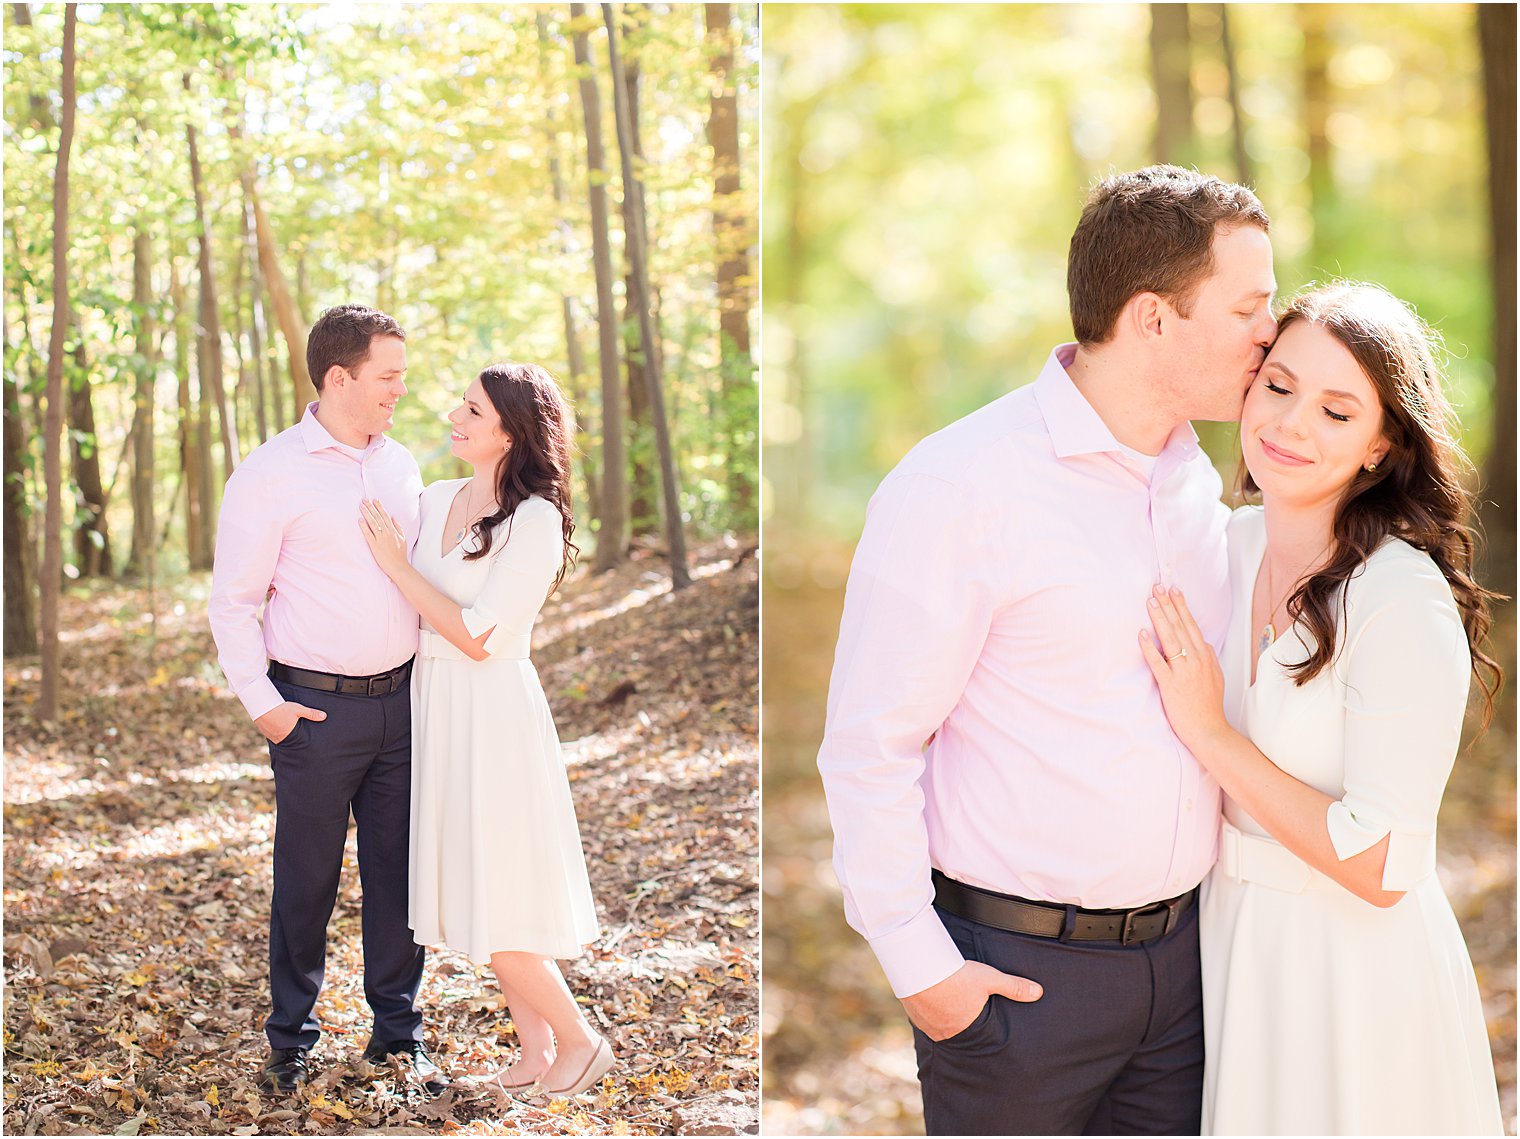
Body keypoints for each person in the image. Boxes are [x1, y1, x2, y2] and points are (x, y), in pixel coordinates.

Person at [816, 164, 1278, 1135]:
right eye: (1247, 307)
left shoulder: (1205, 490)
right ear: (1152, 318)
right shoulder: (958, 485)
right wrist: (921, 966)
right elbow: (871, 741)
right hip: (1016, 985)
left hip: (1187, 973)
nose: (1266, 334)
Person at [1139, 282, 1504, 1135]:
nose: (1291, 424)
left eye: (1337, 412)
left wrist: (1212, 735)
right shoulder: (1225, 545)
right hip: (1233, 952)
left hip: (1357, 982)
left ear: (1383, 444)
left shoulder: (1398, 597)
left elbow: (1381, 864)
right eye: (1279, 385)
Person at [356, 362, 613, 1099]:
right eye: (460, 404)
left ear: (511, 430)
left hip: (492, 711)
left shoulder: (535, 520)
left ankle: (581, 1042)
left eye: (472, 409)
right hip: (434, 705)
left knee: (497, 894)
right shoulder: (436, 497)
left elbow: (479, 635)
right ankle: (535, 1054)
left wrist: (397, 569)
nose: (454, 415)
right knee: (472, 885)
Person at [208, 304, 444, 1094]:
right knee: (306, 877)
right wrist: (263, 703)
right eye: (388, 376)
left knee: (397, 874)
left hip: (402, 705)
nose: (400, 391)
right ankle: (291, 1037)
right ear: (338, 377)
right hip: (312, 710)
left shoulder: (401, 463)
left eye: (401, 375)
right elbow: (234, 601)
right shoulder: (270, 472)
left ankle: (398, 1033)